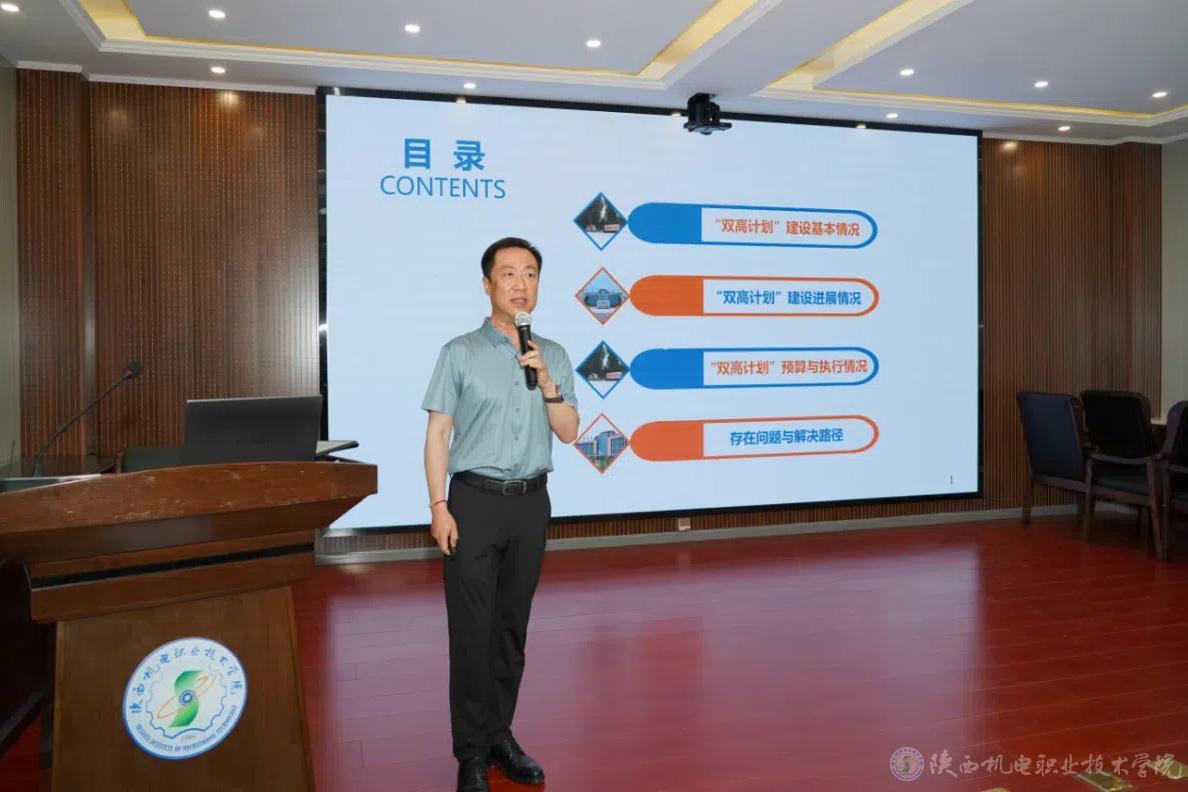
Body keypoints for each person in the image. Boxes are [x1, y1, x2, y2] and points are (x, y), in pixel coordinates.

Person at [422, 237, 580, 792]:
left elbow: (569, 431)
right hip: (474, 503)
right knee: (472, 631)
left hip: (531, 504)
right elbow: (438, 433)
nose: (520, 284)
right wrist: (438, 506)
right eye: (508, 273)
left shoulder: (552, 354)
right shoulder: (460, 352)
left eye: (530, 273)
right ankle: (470, 752)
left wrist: (549, 383)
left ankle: (499, 736)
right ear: (487, 284)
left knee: (511, 629)